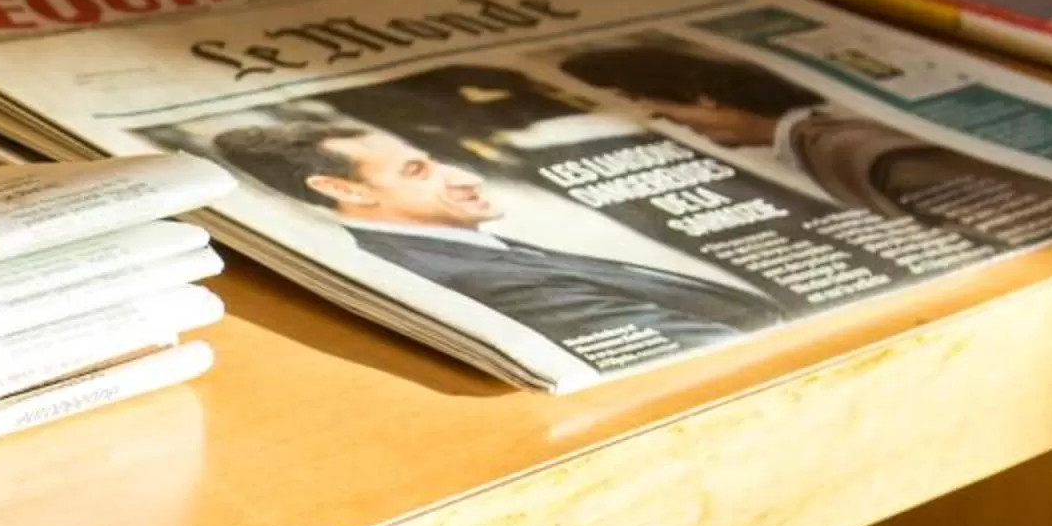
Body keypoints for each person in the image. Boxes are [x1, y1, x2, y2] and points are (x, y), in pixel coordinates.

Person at [210, 121, 781, 352]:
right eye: (418, 170)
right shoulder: (473, 273)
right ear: (344, 190)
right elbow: (695, 346)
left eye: (432, 159)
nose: (466, 176)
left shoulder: (471, 249)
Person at [556, 43, 1052, 242]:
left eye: (644, 102)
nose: (659, 120)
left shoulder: (839, 146)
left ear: (704, 100)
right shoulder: (821, 139)